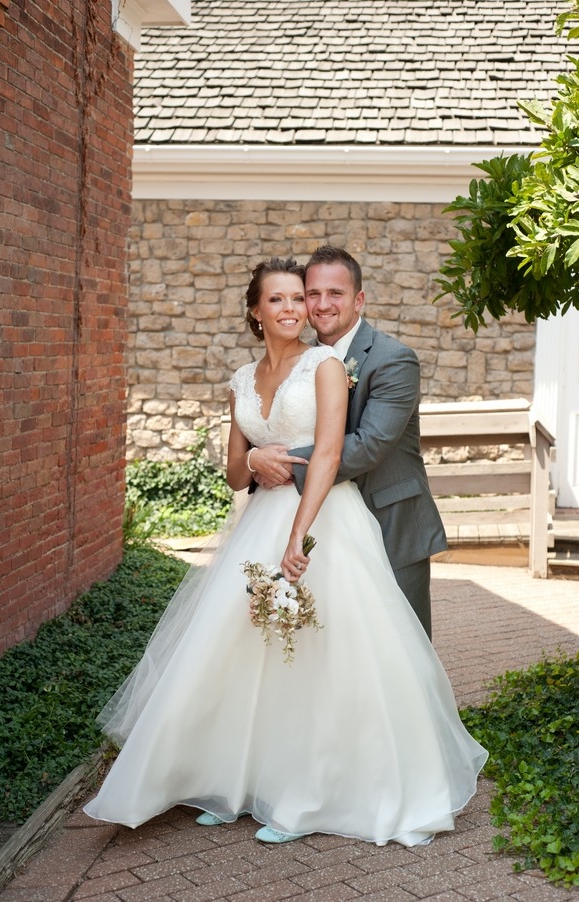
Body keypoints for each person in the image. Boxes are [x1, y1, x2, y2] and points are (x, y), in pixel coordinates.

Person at [84, 256, 486, 846]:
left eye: (316, 297)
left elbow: (358, 446)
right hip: (264, 520)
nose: (306, 307)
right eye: (290, 298)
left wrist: (286, 486)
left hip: (359, 517)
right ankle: (233, 780)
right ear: (256, 310)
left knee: (368, 655)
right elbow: (235, 468)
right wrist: (252, 460)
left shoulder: (356, 361)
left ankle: (338, 783)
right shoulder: (246, 378)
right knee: (249, 652)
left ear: (358, 300)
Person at [248, 245, 447, 639]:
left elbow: (370, 443)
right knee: (337, 646)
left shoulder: (393, 359)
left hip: (388, 520)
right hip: (322, 523)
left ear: (359, 300)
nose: (322, 305)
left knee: (402, 646)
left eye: (335, 294)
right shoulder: (300, 361)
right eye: (313, 294)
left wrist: (285, 463)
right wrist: (256, 456)